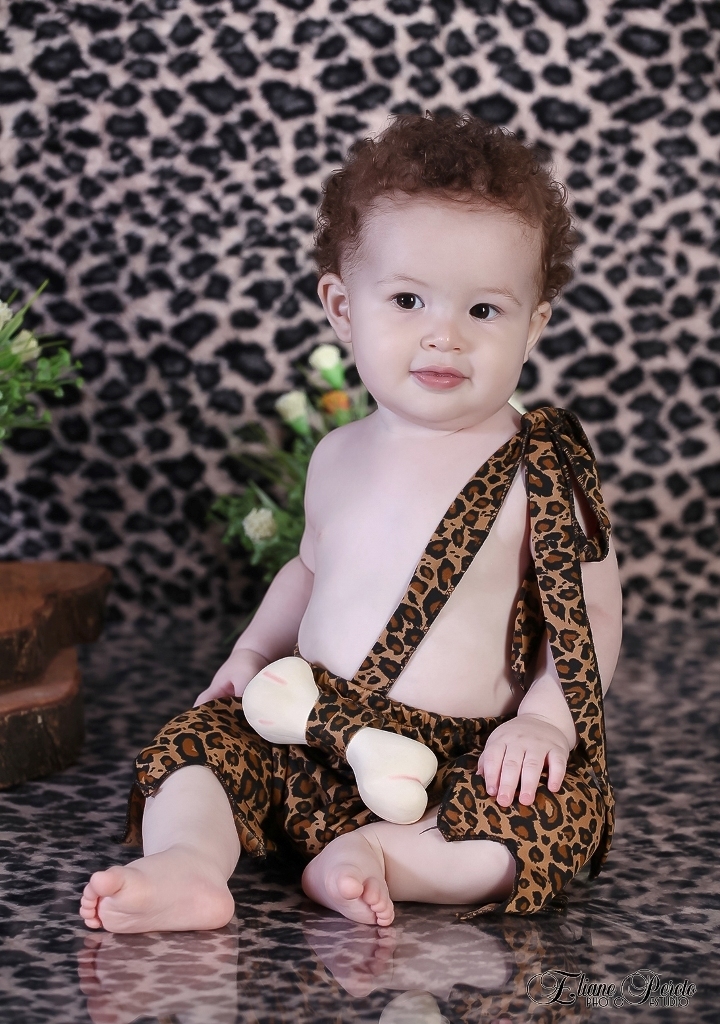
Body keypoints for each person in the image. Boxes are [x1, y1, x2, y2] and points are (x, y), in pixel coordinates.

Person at [80, 112, 622, 934]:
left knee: (550, 817)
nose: (444, 335)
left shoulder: (540, 472)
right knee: (196, 744)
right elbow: (307, 571)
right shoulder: (336, 455)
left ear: (533, 326)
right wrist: (251, 653)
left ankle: (380, 857)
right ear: (342, 307)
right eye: (407, 299)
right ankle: (189, 864)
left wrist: (546, 718)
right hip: (312, 730)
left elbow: (590, 615)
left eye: (484, 310)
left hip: (461, 761)